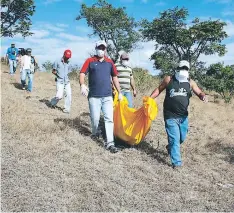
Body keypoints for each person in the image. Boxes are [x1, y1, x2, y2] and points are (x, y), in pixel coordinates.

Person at [150, 60, 208, 169]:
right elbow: (159, 89)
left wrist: (203, 96)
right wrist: (150, 98)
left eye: (186, 69)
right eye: (182, 68)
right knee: (175, 139)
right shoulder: (169, 79)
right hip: (170, 115)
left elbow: (199, 92)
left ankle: (170, 147)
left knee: (181, 138)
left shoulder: (190, 82)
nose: (184, 70)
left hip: (183, 116)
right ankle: (176, 163)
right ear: (178, 68)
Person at [79, 40, 123, 153]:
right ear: (96, 48)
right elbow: (82, 73)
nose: (101, 50)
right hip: (94, 96)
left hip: (107, 96)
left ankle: (110, 143)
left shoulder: (110, 62)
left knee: (109, 119)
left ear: (105, 49)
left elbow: (114, 77)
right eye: (99, 48)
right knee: (95, 119)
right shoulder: (90, 61)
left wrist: (120, 92)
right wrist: (82, 84)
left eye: (103, 48)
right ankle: (95, 133)